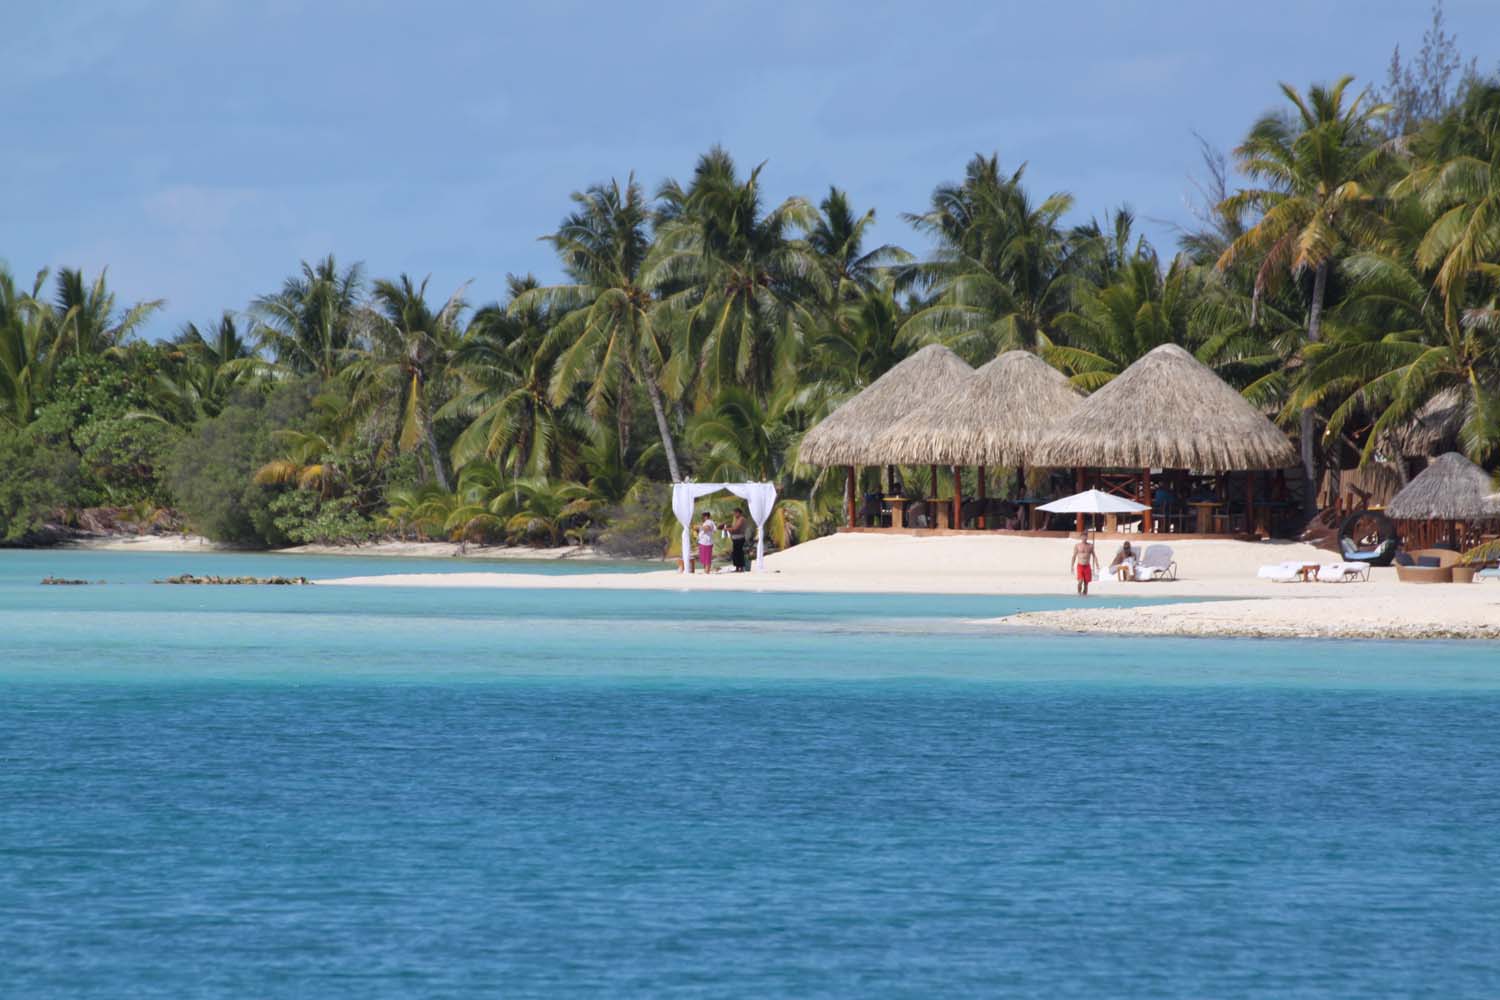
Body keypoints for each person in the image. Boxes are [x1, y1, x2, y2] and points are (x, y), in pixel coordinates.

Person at [1071, 531, 1100, 596]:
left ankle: (1084, 596)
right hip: (1080, 566)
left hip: (1087, 566)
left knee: (1086, 584)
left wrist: (1097, 565)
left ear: (1087, 537)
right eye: (1083, 536)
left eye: (1085, 536)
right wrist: (1072, 566)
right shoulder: (1077, 546)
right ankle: (1079, 593)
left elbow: (1094, 556)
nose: (1084, 537)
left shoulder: (1090, 546)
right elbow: (1074, 556)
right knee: (1080, 581)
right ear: (1081, 537)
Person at [728, 508, 748, 572]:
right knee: (735, 553)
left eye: (735, 513)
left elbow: (736, 528)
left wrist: (728, 529)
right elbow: (733, 528)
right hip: (735, 538)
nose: (734, 514)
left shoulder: (741, 519)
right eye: (734, 513)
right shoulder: (735, 519)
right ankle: (737, 567)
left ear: (739, 513)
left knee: (739, 553)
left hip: (740, 538)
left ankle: (741, 567)